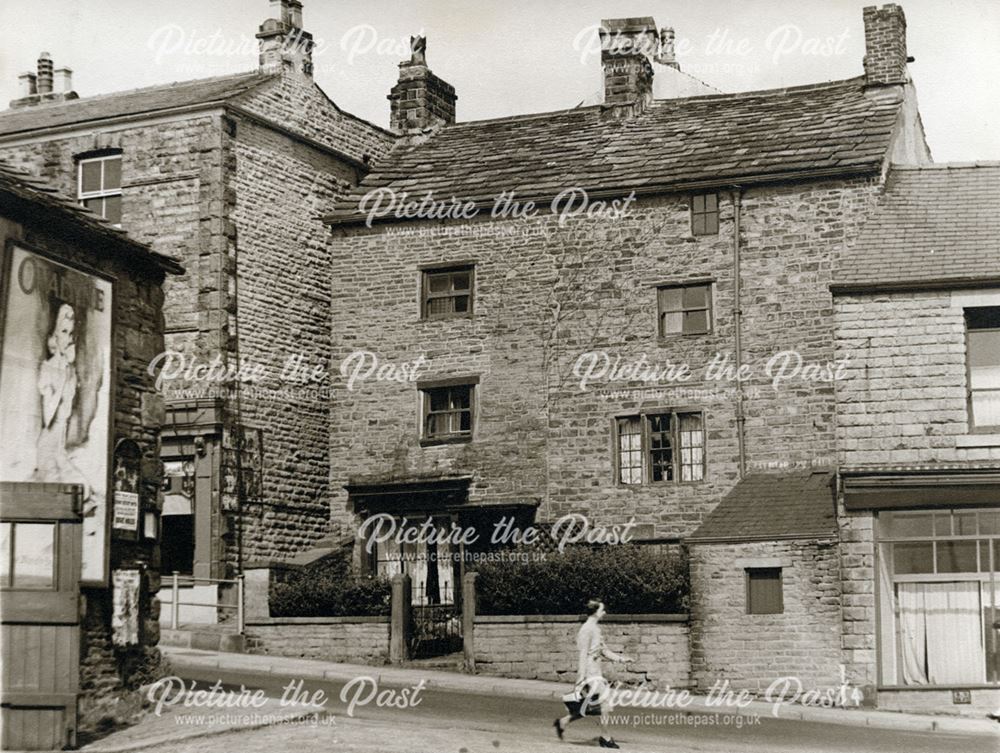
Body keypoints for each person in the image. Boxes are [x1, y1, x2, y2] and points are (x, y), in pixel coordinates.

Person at [554, 599, 633, 748]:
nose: (604, 613)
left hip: (595, 671)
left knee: (590, 705)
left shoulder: (595, 629)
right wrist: (581, 678)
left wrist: (622, 659)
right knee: (603, 705)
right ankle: (605, 738)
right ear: (595, 612)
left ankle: (563, 722)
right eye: (602, 610)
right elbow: (583, 654)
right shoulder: (586, 630)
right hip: (590, 674)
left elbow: (603, 650)